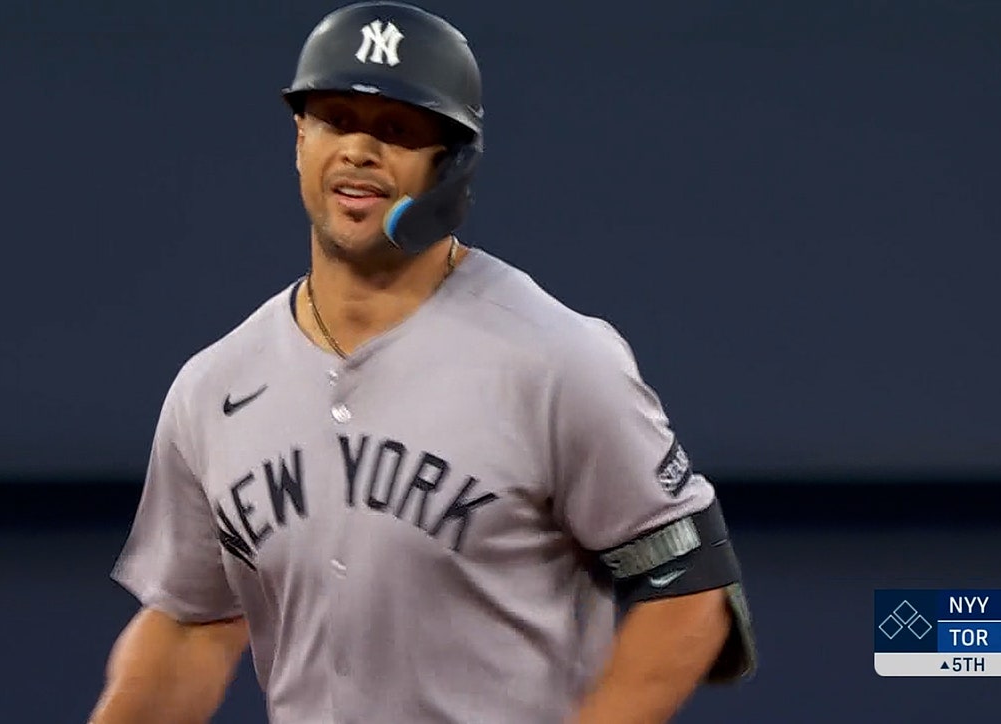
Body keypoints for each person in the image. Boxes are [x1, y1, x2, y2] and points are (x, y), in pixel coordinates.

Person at [88, 2, 756, 722]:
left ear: (451, 165)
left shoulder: (554, 358)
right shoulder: (214, 387)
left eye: (397, 131)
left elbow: (689, 589)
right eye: (336, 120)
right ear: (299, 138)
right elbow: (192, 626)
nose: (358, 151)